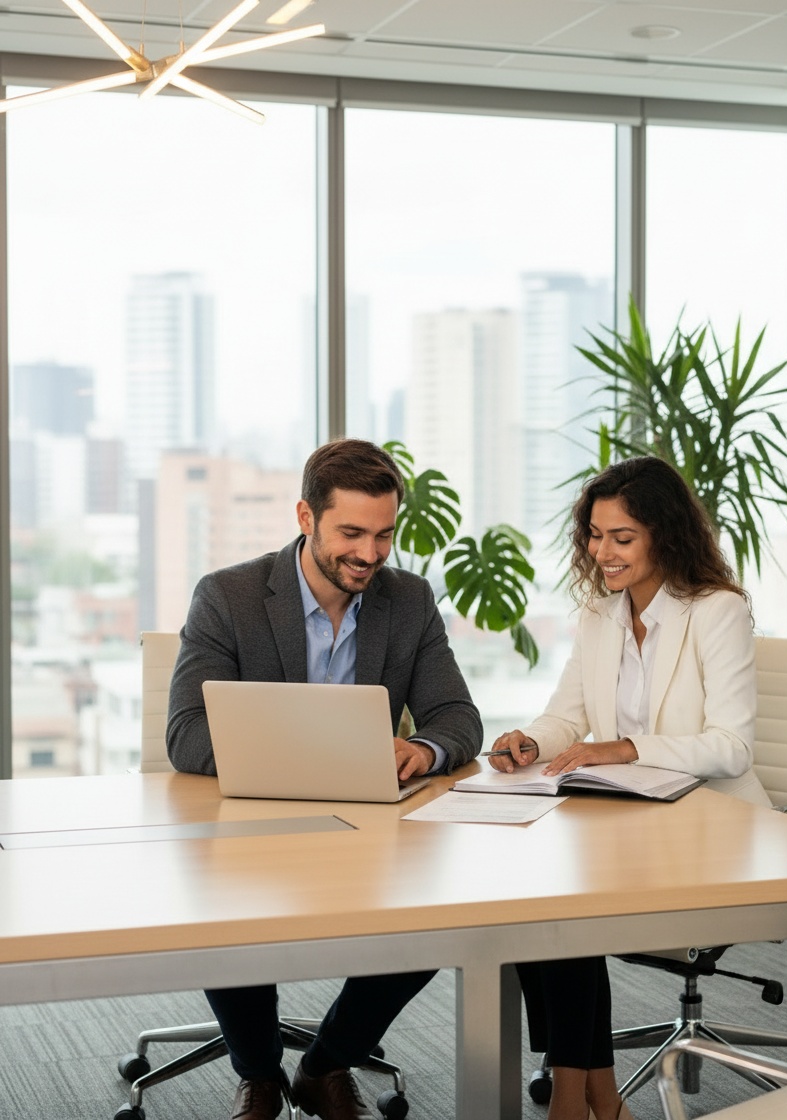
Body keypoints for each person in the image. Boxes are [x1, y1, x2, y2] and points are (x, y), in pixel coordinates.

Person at [167, 437, 483, 1120]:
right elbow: (187, 736)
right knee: (229, 912)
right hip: (252, 828)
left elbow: (457, 716)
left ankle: (326, 1062)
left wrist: (424, 750)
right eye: (351, 533)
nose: (369, 554)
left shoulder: (407, 600)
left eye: (383, 535)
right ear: (306, 517)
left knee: (439, 915)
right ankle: (257, 1075)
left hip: (372, 832)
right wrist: (318, 753)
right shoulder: (229, 597)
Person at [490, 455, 770, 1120]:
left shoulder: (716, 611)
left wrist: (626, 746)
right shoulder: (600, 614)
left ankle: (576, 1096)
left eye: (622, 537)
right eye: (594, 534)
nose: (603, 552)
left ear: (664, 535)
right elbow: (568, 716)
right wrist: (531, 740)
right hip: (627, 830)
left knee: (562, 910)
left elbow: (731, 746)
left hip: (711, 836)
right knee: (537, 902)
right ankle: (591, 1095)